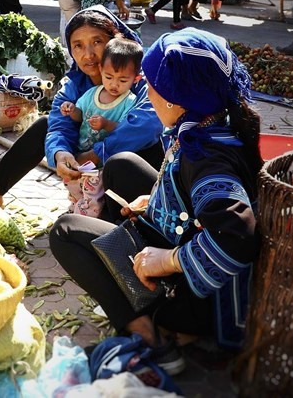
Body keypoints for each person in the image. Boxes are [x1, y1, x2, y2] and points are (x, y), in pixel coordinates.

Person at [49, 28, 262, 373]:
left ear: (174, 98)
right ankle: (136, 278)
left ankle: (153, 336)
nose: (146, 91)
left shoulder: (206, 160)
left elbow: (237, 237)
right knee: (122, 165)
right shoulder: (211, 119)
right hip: (188, 232)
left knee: (65, 231)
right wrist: (158, 201)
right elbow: (194, 198)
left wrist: (165, 261)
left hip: (196, 296)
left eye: (152, 86)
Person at [0, 7, 164, 211]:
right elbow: (59, 126)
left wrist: (97, 154)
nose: (88, 54)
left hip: (135, 168)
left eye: (97, 42)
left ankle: (123, 219)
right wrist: (60, 153)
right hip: (91, 165)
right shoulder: (73, 85)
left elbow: (147, 125)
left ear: (114, 42)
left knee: (123, 160)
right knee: (45, 125)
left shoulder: (140, 78)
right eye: (78, 46)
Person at [62, 38, 143, 218]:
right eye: (108, 77)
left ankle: (84, 220)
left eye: (122, 80)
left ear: (136, 78)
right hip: (81, 156)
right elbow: (80, 115)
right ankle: (75, 205)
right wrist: (71, 109)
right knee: (74, 185)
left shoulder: (129, 102)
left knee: (92, 194)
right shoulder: (92, 93)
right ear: (101, 70)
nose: (114, 84)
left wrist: (106, 124)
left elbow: (123, 131)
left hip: (101, 164)